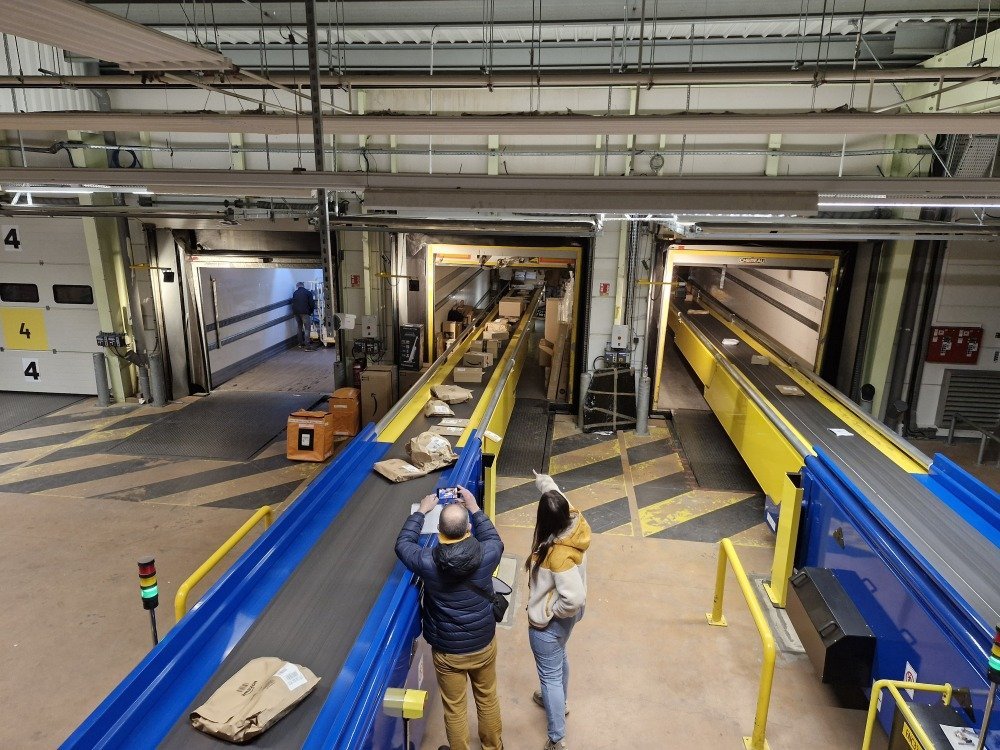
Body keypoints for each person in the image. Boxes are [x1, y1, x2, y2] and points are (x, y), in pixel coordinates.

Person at [394, 486, 504, 750]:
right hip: (483, 643)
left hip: (448, 651)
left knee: (455, 707)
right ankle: (493, 746)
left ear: (439, 531)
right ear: (468, 529)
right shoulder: (488, 553)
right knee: (487, 697)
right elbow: (493, 537)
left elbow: (403, 544)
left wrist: (421, 512)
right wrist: (474, 507)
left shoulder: (427, 561)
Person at [525, 472, 591, 750]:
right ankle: (559, 703)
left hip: (550, 624)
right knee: (560, 654)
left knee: (549, 676)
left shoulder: (558, 555)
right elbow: (556, 495)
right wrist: (543, 481)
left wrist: (551, 610)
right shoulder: (574, 520)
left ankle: (556, 738)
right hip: (567, 622)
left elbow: (573, 599)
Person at [291, 281, 315, 349]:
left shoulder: (295, 293)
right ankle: (308, 346)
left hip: (296, 313)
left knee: (299, 327)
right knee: (307, 328)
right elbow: (311, 303)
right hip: (305, 312)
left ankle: (300, 344)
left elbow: (293, 302)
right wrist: (311, 311)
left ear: (297, 286)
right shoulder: (308, 292)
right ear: (303, 286)